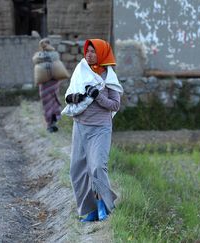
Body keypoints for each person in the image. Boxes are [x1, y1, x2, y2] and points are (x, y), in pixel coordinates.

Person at [62, 39, 123, 222]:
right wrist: (77, 97)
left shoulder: (109, 77)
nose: (89, 55)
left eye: (93, 52)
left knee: (97, 167)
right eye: (87, 51)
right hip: (80, 126)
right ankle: (90, 211)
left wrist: (98, 97)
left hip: (100, 128)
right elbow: (68, 96)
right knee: (77, 170)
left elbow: (115, 105)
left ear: (102, 54)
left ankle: (104, 206)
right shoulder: (80, 71)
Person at [32, 38, 69, 133]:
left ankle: (51, 123)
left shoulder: (42, 55)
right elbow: (36, 59)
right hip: (50, 84)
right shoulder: (49, 55)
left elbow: (35, 59)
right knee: (51, 102)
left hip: (49, 84)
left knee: (50, 103)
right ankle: (51, 123)